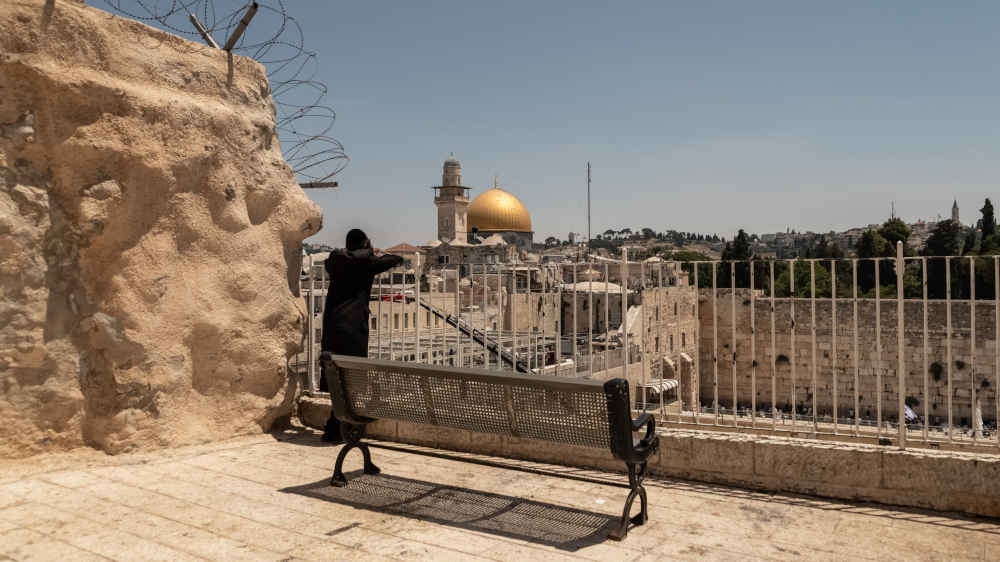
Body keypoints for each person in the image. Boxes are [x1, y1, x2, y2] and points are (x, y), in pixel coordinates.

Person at [319, 229, 403, 443]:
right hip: (353, 327)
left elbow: (343, 257)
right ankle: (342, 427)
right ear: (365, 245)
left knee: (335, 376)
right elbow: (392, 259)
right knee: (352, 379)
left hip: (332, 326)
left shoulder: (335, 261)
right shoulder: (365, 264)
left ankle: (333, 426)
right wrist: (375, 254)